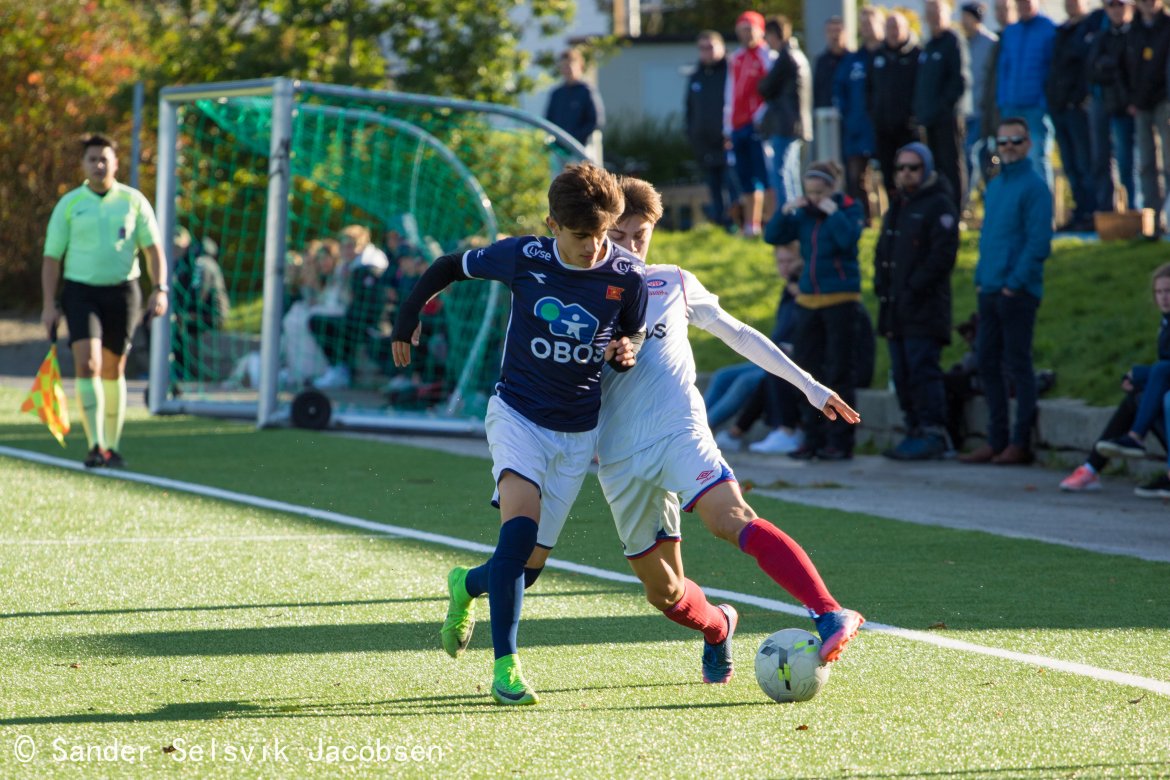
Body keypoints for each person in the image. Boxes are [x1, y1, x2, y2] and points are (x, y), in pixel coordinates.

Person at [601, 177, 866, 680]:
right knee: (665, 593)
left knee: (731, 518)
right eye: (619, 236)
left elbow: (739, 334)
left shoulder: (671, 281)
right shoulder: (580, 294)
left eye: (641, 234)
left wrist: (809, 387)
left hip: (680, 431)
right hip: (617, 453)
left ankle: (829, 610)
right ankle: (719, 625)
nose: (632, 247)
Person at [404, 163, 647, 706]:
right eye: (582, 236)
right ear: (552, 225)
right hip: (517, 415)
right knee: (516, 534)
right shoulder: (524, 256)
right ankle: (506, 669)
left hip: (577, 432)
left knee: (525, 571)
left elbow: (630, 330)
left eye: (603, 233)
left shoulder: (627, 274)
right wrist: (407, 315)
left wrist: (625, 351)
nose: (594, 246)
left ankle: (466, 585)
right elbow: (447, 266)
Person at [40, 133, 168, 469]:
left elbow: (153, 249)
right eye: (92, 159)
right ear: (83, 165)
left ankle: (112, 446)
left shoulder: (133, 201)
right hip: (81, 292)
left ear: (115, 162)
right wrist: (49, 304)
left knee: (114, 367)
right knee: (88, 363)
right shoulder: (69, 204)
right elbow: (52, 258)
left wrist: (161, 288)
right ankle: (95, 444)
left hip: (123, 292)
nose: (99, 164)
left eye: (104, 158)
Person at [959, 117, 1053, 465]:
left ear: (1028, 144)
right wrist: (983, 279)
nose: (1009, 147)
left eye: (1016, 140)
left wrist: (1015, 284)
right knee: (986, 363)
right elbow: (990, 239)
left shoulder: (1035, 187)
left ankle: (1019, 442)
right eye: (1003, 142)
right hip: (990, 288)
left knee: (1018, 364)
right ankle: (996, 440)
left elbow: (1038, 242)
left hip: (1017, 291)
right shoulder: (996, 187)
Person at [765, 161, 867, 460]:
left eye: (818, 192)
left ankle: (840, 442)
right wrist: (786, 211)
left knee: (839, 370)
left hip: (841, 299)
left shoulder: (849, 209)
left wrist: (831, 212)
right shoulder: (804, 214)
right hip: (808, 301)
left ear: (832, 189)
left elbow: (848, 240)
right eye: (809, 192)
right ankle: (812, 438)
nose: (812, 198)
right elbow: (773, 236)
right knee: (808, 373)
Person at [874, 143, 960, 460]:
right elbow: (883, 253)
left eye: (914, 168)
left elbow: (942, 257)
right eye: (901, 168)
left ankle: (932, 431)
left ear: (926, 169)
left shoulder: (939, 205)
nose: (907, 174)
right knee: (902, 373)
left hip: (924, 309)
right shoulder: (898, 205)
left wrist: (912, 289)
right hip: (895, 308)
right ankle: (913, 428)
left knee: (923, 370)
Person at [1060, 262, 1170, 493]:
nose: (1164, 298)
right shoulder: (1165, 322)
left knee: (1160, 386)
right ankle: (1091, 468)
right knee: (1137, 396)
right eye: (1159, 292)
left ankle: (1133, 439)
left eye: (1168, 291)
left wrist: (1140, 373)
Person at [309, 225, 390, 389]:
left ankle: (339, 370)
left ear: (361, 245)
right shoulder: (347, 266)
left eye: (350, 245)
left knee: (319, 322)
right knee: (316, 318)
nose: (346, 249)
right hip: (353, 316)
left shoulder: (370, 265)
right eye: (343, 245)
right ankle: (338, 369)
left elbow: (368, 304)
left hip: (372, 323)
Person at [1047, 0, 1102, 231]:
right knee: (1070, 165)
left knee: (1085, 163)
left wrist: (1082, 96)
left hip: (1080, 107)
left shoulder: (1094, 25)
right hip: (1060, 106)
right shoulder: (1061, 31)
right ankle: (1080, 212)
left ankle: (1093, 212)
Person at [914, 0, 972, 212]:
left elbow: (960, 81)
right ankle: (940, 207)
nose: (934, 17)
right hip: (929, 118)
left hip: (948, 118)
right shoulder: (928, 46)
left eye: (938, 12)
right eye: (930, 12)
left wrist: (943, 108)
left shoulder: (953, 41)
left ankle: (956, 209)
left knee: (951, 164)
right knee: (935, 167)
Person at [724, 10, 775, 238]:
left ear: (760, 30)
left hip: (758, 126)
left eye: (750, 29)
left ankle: (773, 224)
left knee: (767, 176)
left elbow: (771, 92)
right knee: (746, 178)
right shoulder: (736, 58)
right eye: (742, 30)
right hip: (737, 126)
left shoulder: (768, 56)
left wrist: (760, 117)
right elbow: (730, 92)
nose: (746, 34)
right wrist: (727, 125)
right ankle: (751, 226)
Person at [996, 0, 1057, 186]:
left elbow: (1052, 68)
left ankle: (1044, 211)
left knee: (1037, 157)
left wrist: (1043, 102)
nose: (1024, 5)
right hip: (1011, 107)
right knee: (1010, 160)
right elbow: (1004, 70)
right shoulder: (1011, 32)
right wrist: (1003, 101)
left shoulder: (1049, 29)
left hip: (1036, 108)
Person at [835, 5, 885, 224]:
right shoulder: (853, 60)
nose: (866, 28)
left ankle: (891, 218)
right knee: (856, 178)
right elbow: (840, 91)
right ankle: (865, 220)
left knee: (890, 176)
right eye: (862, 23)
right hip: (856, 128)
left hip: (887, 128)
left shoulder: (891, 55)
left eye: (870, 22)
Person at [1122, 0, 1170, 226]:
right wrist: (1131, 100)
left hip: (1164, 102)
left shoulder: (1167, 25)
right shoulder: (1134, 29)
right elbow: (1124, 67)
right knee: (1146, 162)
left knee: (1168, 160)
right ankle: (1152, 218)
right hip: (1140, 104)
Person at [758, 15, 812, 209]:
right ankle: (796, 215)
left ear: (774, 35)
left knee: (780, 172)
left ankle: (787, 215)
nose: (765, 41)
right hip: (796, 124)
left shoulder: (786, 57)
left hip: (785, 124)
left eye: (767, 36)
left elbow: (765, 87)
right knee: (791, 172)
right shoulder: (798, 55)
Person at [686, 31, 738, 229]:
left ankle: (735, 222)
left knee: (732, 185)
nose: (706, 52)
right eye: (702, 48)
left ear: (721, 47)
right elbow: (690, 109)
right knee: (713, 186)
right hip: (704, 144)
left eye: (710, 47)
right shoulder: (696, 75)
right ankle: (719, 224)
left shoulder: (731, 71)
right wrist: (692, 135)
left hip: (727, 141)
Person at [1088, 0, 1137, 213]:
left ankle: (1134, 208)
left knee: (1128, 160)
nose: (1116, 10)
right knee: (1101, 159)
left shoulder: (1135, 34)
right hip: (1102, 102)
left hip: (1128, 106)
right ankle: (1107, 208)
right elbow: (1091, 70)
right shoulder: (1101, 36)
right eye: (1112, 6)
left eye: (1121, 5)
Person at [869, 12, 922, 196]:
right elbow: (868, 89)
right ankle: (894, 210)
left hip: (908, 127)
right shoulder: (876, 56)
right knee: (888, 172)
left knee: (911, 168)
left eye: (897, 27)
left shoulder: (917, 55)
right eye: (890, 28)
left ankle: (913, 204)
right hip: (883, 127)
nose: (893, 32)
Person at [960, 3, 999, 201]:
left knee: (975, 154)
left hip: (983, 112)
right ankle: (981, 200)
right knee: (979, 158)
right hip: (965, 113)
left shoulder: (990, 43)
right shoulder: (962, 43)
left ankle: (975, 198)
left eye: (966, 17)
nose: (962, 21)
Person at [545, 48, 605, 149]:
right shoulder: (557, 94)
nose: (566, 70)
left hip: (581, 149)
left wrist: (575, 139)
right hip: (559, 150)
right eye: (563, 66)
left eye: (569, 66)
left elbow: (596, 121)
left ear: (580, 67)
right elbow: (549, 121)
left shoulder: (587, 91)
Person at [813, 15, 849, 114]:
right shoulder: (821, 61)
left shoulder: (852, 60)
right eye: (831, 31)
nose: (835, 35)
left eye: (838, 31)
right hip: (827, 116)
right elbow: (816, 92)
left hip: (848, 115)